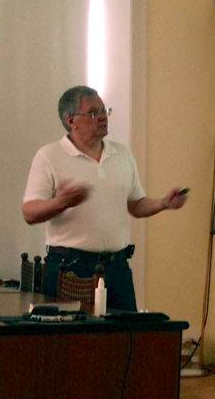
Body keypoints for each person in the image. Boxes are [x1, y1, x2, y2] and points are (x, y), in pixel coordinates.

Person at [22, 86, 187, 311]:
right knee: (73, 332)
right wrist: (61, 202)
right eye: (93, 112)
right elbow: (29, 213)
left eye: (104, 110)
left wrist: (163, 203)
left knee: (125, 330)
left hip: (117, 267)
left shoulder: (122, 155)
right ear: (71, 120)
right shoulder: (49, 156)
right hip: (70, 268)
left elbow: (135, 205)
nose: (102, 117)